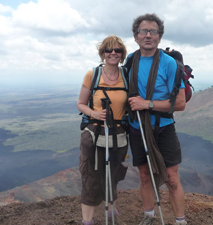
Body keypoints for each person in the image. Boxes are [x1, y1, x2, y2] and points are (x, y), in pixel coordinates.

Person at [127, 14, 187, 225]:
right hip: (137, 128)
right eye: (143, 31)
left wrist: (147, 103)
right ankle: (149, 215)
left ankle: (180, 221)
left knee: (171, 178)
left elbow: (179, 103)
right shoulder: (130, 61)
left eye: (153, 31)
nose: (148, 35)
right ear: (136, 36)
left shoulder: (169, 64)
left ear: (160, 37)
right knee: (144, 176)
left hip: (164, 128)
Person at [77, 35, 128, 225]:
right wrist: (94, 113)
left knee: (113, 175)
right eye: (109, 50)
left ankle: (110, 214)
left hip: (118, 135)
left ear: (122, 54)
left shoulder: (126, 75)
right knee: (91, 177)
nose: (113, 53)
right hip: (94, 133)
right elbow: (80, 104)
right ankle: (87, 221)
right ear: (103, 53)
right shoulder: (93, 75)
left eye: (117, 50)